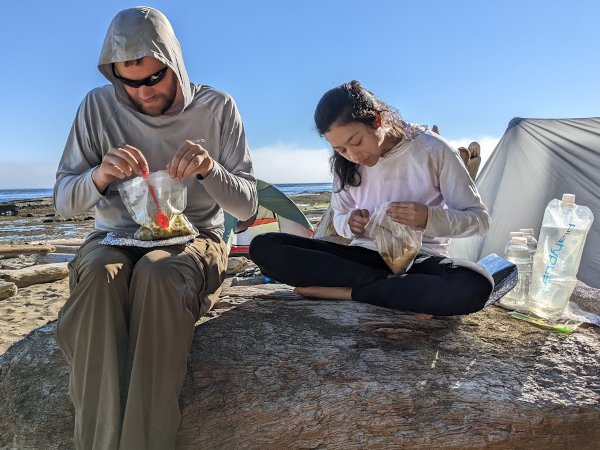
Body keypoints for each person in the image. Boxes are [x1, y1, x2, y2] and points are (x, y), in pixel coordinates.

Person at [54, 7, 257, 449]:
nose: (143, 92)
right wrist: (99, 177)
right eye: (129, 81)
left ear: (175, 64)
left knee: (159, 275)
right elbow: (63, 200)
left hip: (195, 238)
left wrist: (210, 171)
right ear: (114, 74)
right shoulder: (97, 105)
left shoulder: (217, 107)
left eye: (154, 78)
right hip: (112, 238)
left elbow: (248, 203)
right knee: (100, 279)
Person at [249, 80, 493, 317]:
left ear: (377, 120)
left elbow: (479, 220)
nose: (353, 156)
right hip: (362, 259)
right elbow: (342, 217)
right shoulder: (344, 164)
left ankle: (350, 292)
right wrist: (350, 222)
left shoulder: (431, 149)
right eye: (340, 149)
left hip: (419, 260)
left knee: (476, 283)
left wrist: (428, 218)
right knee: (264, 246)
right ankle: (397, 290)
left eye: (356, 142)